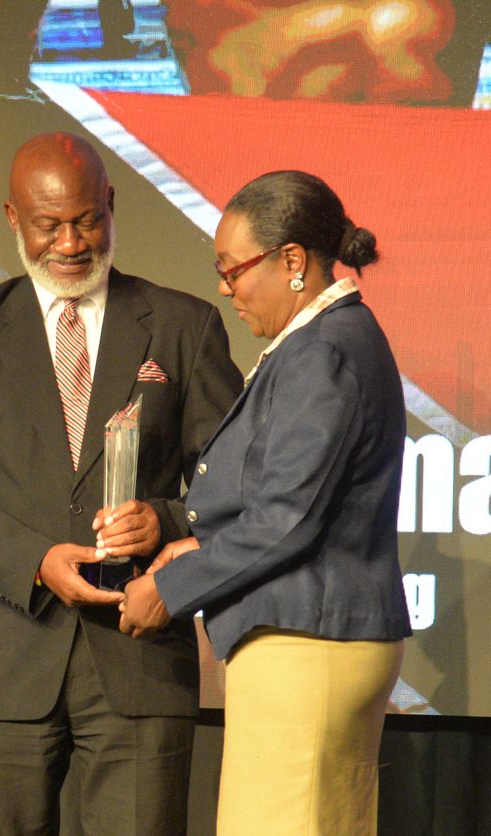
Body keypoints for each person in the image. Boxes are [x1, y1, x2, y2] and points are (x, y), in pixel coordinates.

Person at [0, 132, 243, 834]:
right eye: (48, 224)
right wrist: (35, 561)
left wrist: (165, 520)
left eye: (87, 220)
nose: (70, 243)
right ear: (12, 217)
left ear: (112, 205)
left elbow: (236, 487)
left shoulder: (184, 326)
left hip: (141, 657)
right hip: (8, 659)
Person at [119, 170, 412, 834]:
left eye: (233, 269)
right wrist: (200, 543)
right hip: (318, 636)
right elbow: (291, 498)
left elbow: (288, 518)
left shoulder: (322, 352)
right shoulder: (327, 340)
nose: (225, 289)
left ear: (292, 261)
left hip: (306, 643)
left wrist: (170, 586)